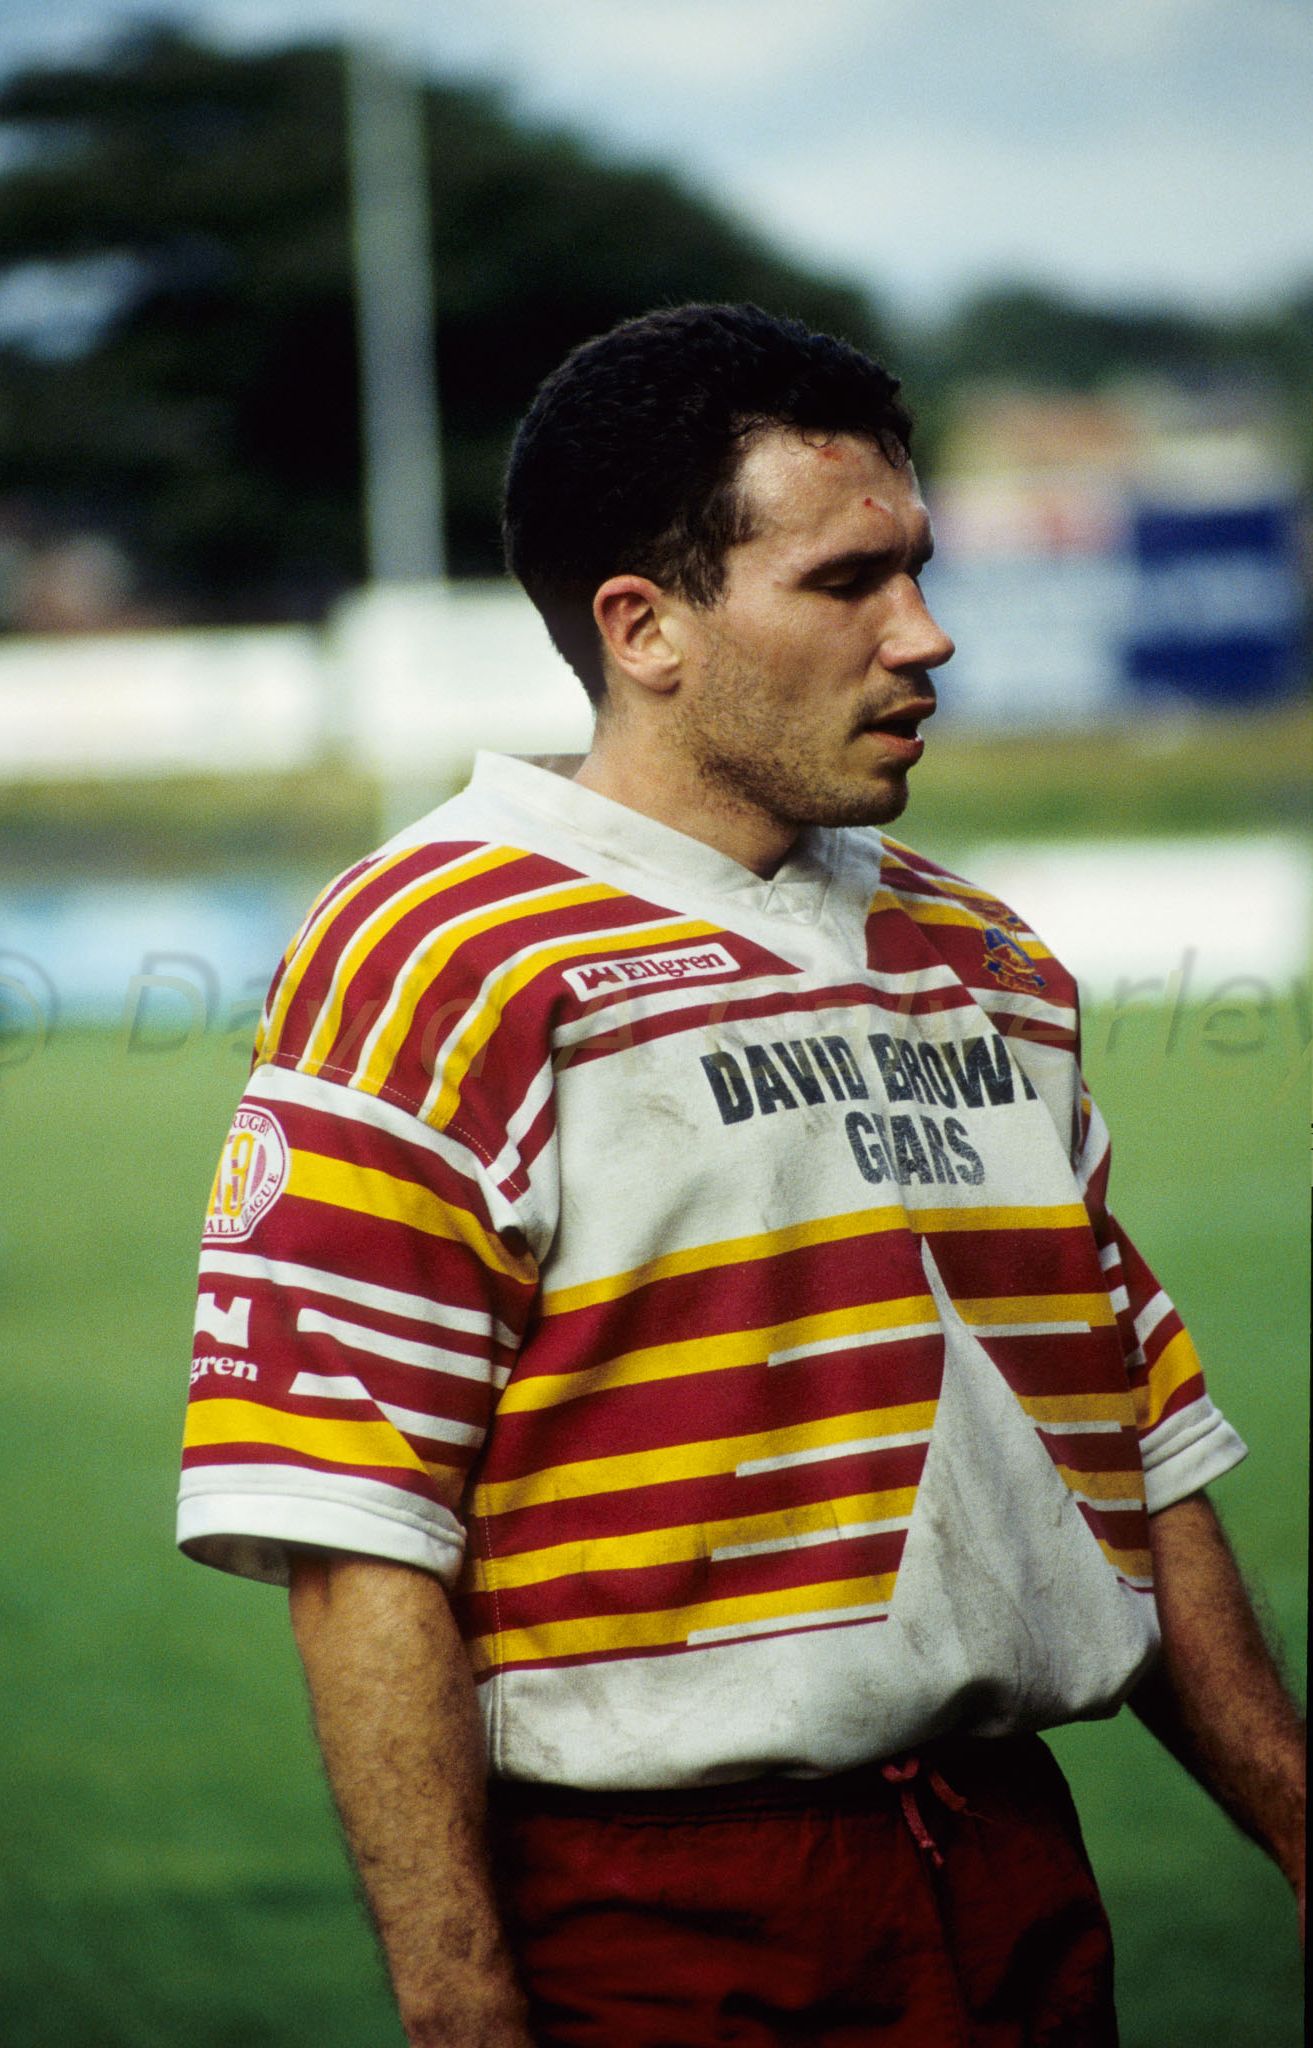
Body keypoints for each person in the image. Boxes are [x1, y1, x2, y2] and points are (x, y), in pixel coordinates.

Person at [177, 303, 1304, 2046]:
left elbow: (1133, 1438)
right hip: (662, 1914)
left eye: (916, 568)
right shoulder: (434, 946)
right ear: (644, 627)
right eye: (845, 582)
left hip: (1010, 1867)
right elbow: (355, 1522)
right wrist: (461, 2010)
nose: (923, 634)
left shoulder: (984, 958)